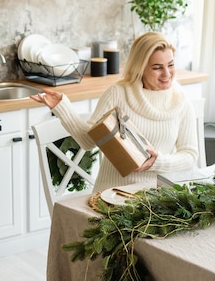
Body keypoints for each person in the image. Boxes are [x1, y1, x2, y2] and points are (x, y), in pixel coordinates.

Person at [30, 32, 198, 192]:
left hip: (159, 198)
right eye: (157, 67)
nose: (167, 74)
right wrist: (62, 107)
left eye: (171, 65)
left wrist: (158, 162)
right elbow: (88, 142)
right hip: (112, 194)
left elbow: (190, 156)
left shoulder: (181, 100)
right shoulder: (119, 93)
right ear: (140, 68)